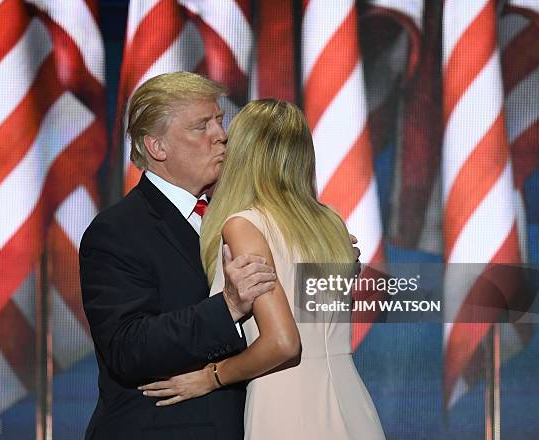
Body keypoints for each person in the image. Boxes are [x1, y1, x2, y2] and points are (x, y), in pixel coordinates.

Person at [139, 99, 385, 439]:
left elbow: (283, 342)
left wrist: (210, 376)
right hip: (352, 402)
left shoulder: (245, 225)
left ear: (244, 153)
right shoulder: (331, 223)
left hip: (286, 406)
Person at [79, 72, 278, 440]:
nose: (221, 135)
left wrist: (329, 258)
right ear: (157, 147)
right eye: (201, 126)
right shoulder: (117, 231)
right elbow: (128, 347)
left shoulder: (239, 218)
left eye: (219, 121)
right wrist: (228, 307)